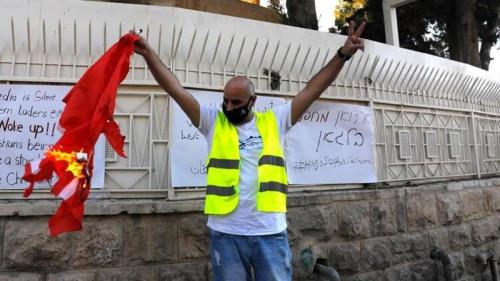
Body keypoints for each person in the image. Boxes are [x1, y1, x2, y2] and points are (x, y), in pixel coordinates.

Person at [133, 21, 365, 281]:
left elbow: (312, 89)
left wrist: (342, 55)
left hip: (269, 231)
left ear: (252, 101)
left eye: (236, 102)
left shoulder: (274, 121)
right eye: (225, 101)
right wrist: (148, 54)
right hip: (226, 232)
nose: (229, 107)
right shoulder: (212, 122)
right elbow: (175, 89)